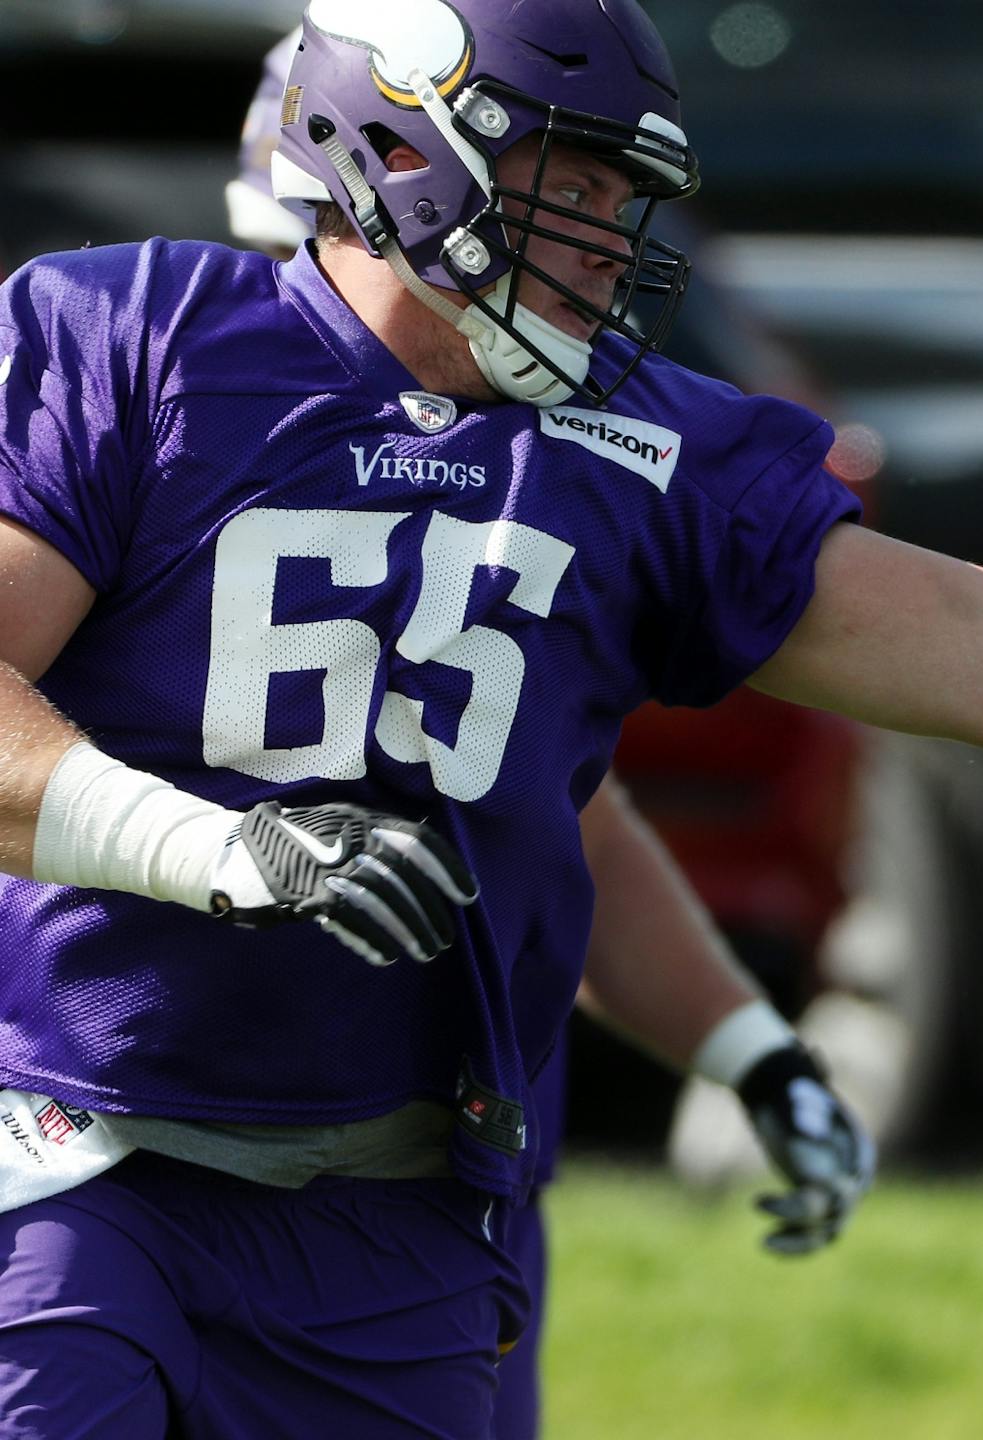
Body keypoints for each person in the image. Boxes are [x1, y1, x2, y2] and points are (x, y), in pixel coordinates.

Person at [0, 1, 983, 1430]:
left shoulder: (637, 445)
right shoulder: (131, 342)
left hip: (399, 1213)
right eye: (574, 174)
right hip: (72, 1155)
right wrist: (215, 851)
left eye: (632, 191)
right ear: (396, 144)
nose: (611, 234)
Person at [216, 34, 876, 1438]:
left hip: (436, 1184)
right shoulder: (152, 418)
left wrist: (749, 1047)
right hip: (127, 1155)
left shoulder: (557, 448)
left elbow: (566, 815)